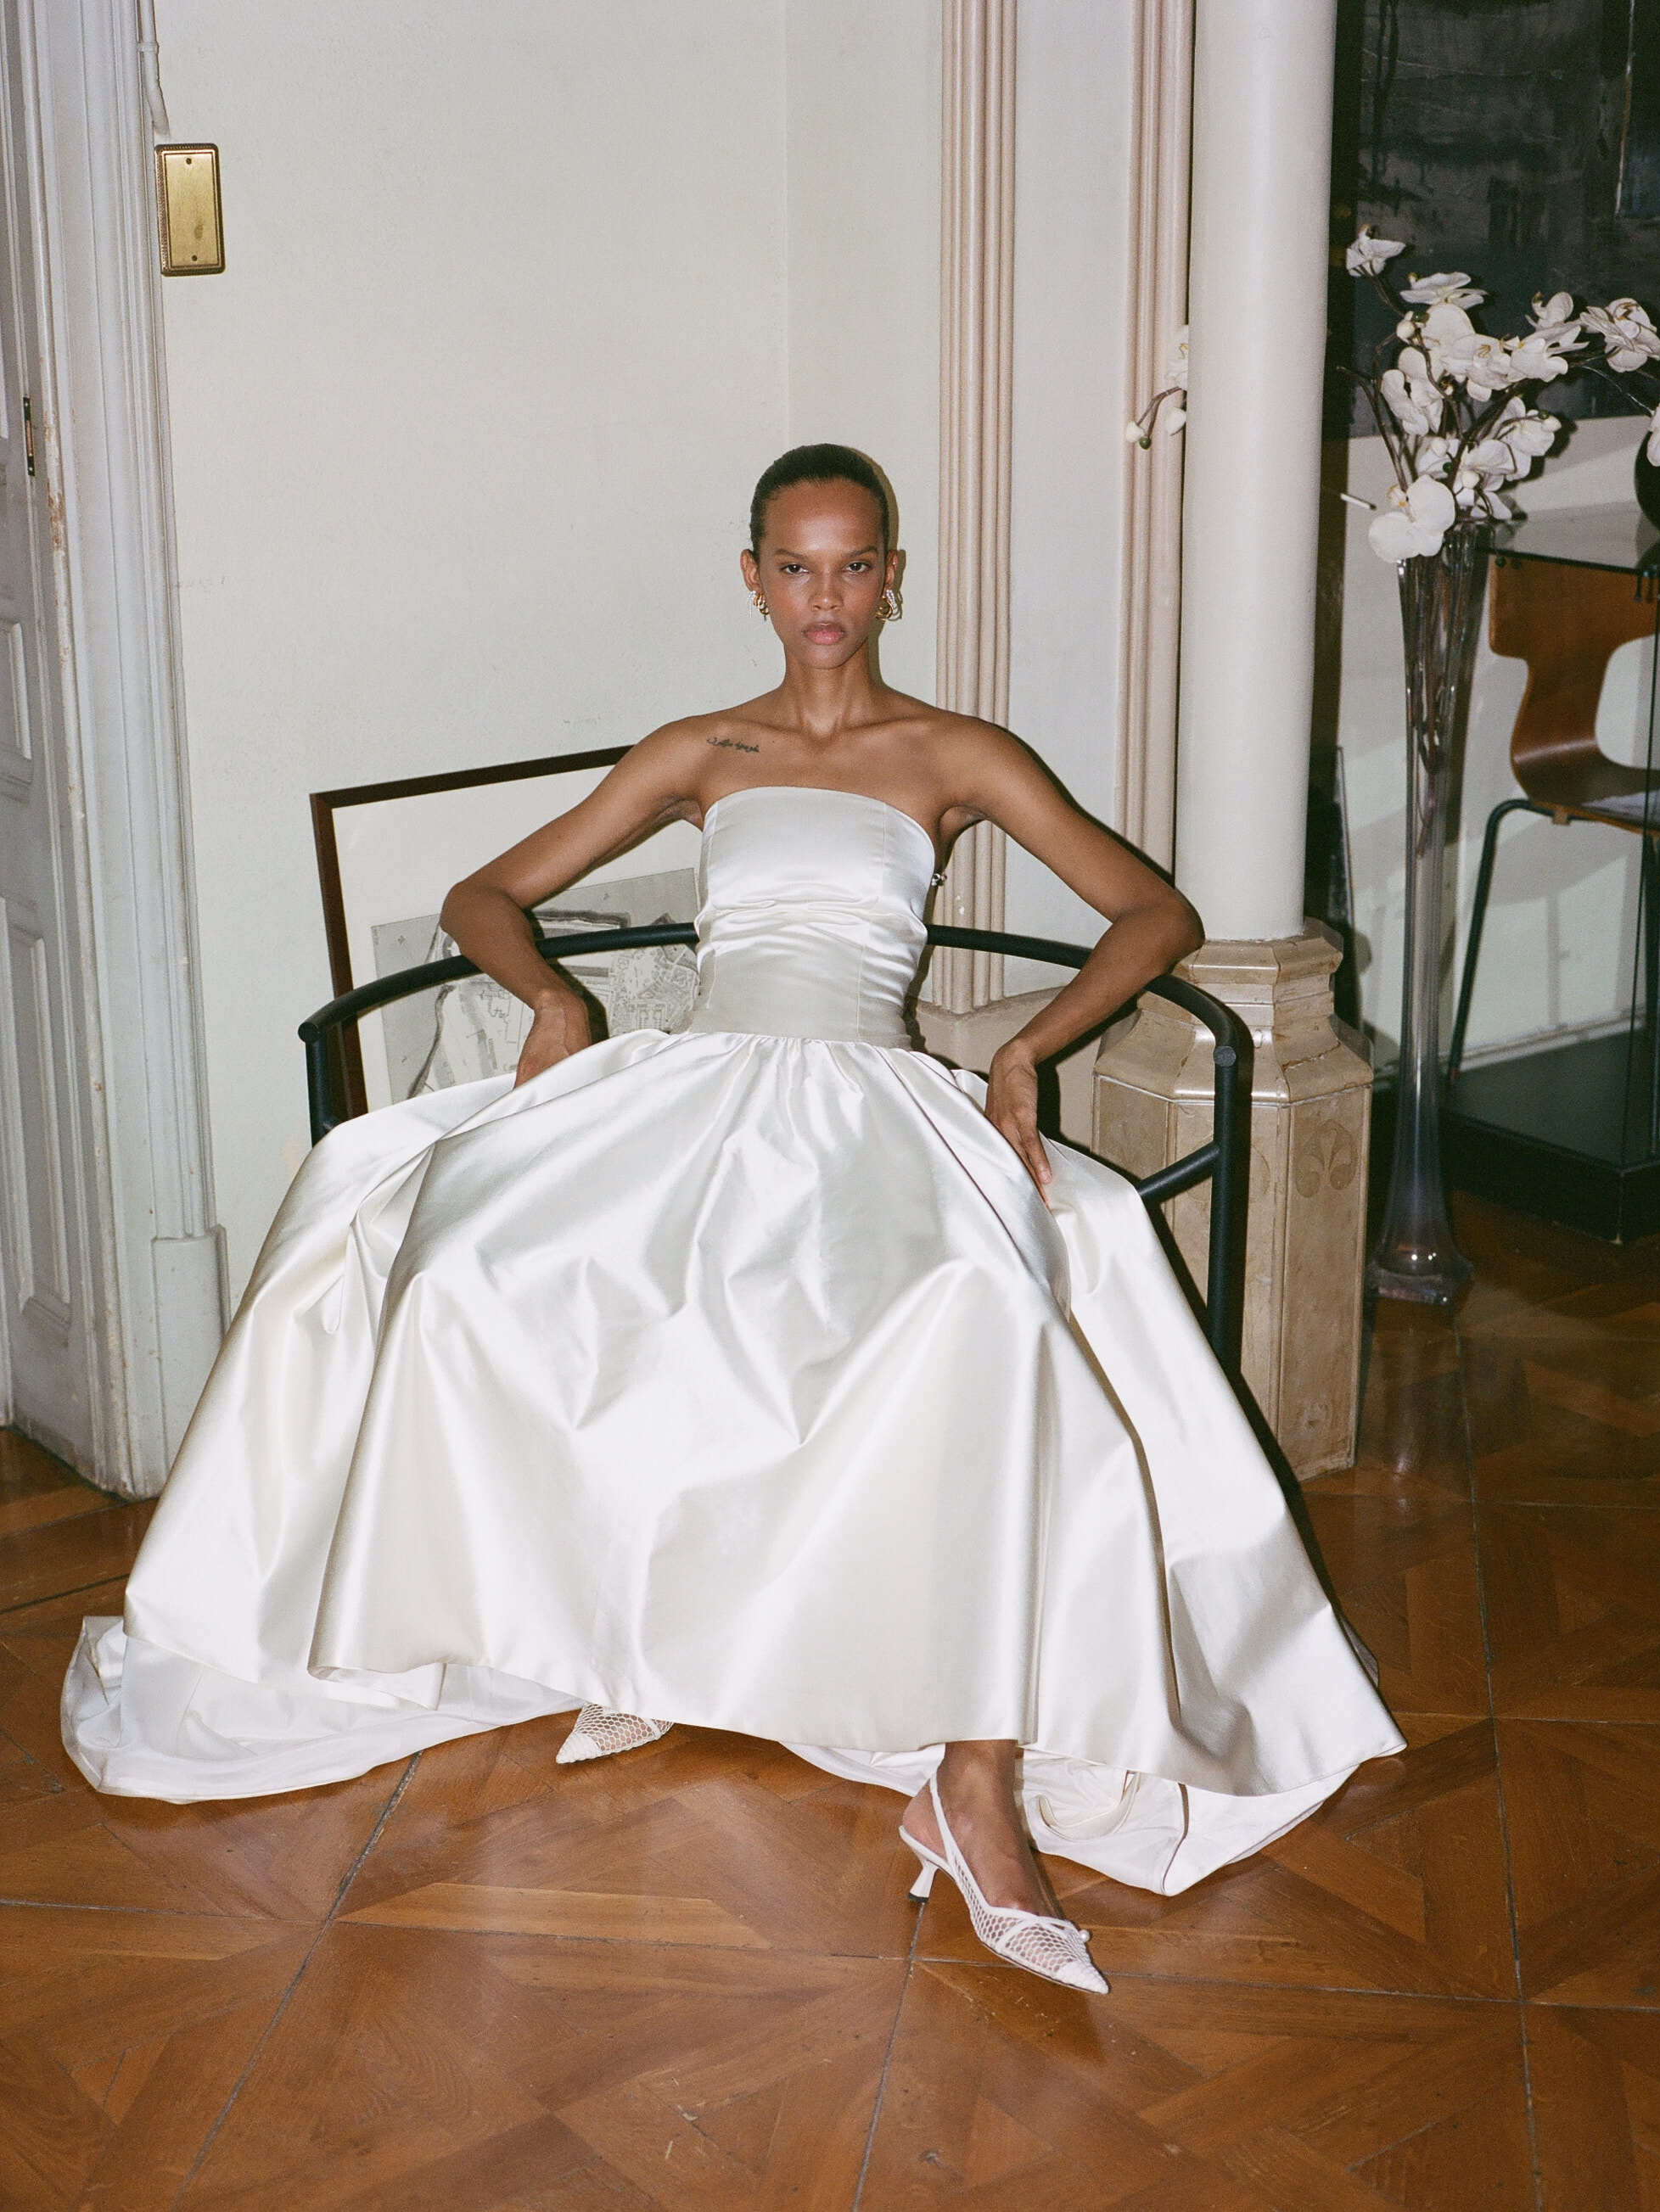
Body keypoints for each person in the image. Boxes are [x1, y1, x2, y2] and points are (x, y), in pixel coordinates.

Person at [63, 445, 1403, 1996]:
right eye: (796, 565)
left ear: (893, 577)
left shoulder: (956, 751)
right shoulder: (702, 747)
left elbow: (1155, 911)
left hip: (872, 1099)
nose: (825, 596)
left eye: (854, 565)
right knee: (462, 1270)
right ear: (752, 577)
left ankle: (972, 1776)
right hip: (699, 1085)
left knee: (979, 1308)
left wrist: (1029, 1051)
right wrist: (552, 998)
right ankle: (609, 1625)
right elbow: (486, 895)